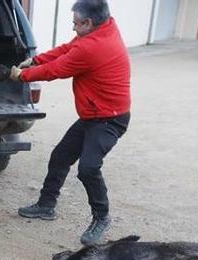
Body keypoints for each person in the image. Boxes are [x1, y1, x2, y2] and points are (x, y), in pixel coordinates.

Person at [11, 0, 130, 246]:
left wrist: (22, 76)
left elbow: (58, 69)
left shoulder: (95, 47)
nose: (73, 28)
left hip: (109, 119)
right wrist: (35, 60)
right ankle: (46, 205)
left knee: (88, 168)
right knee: (60, 156)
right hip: (92, 116)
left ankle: (102, 217)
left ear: (89, 23)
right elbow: (67, 49)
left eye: (76, 23)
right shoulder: (103, 28)